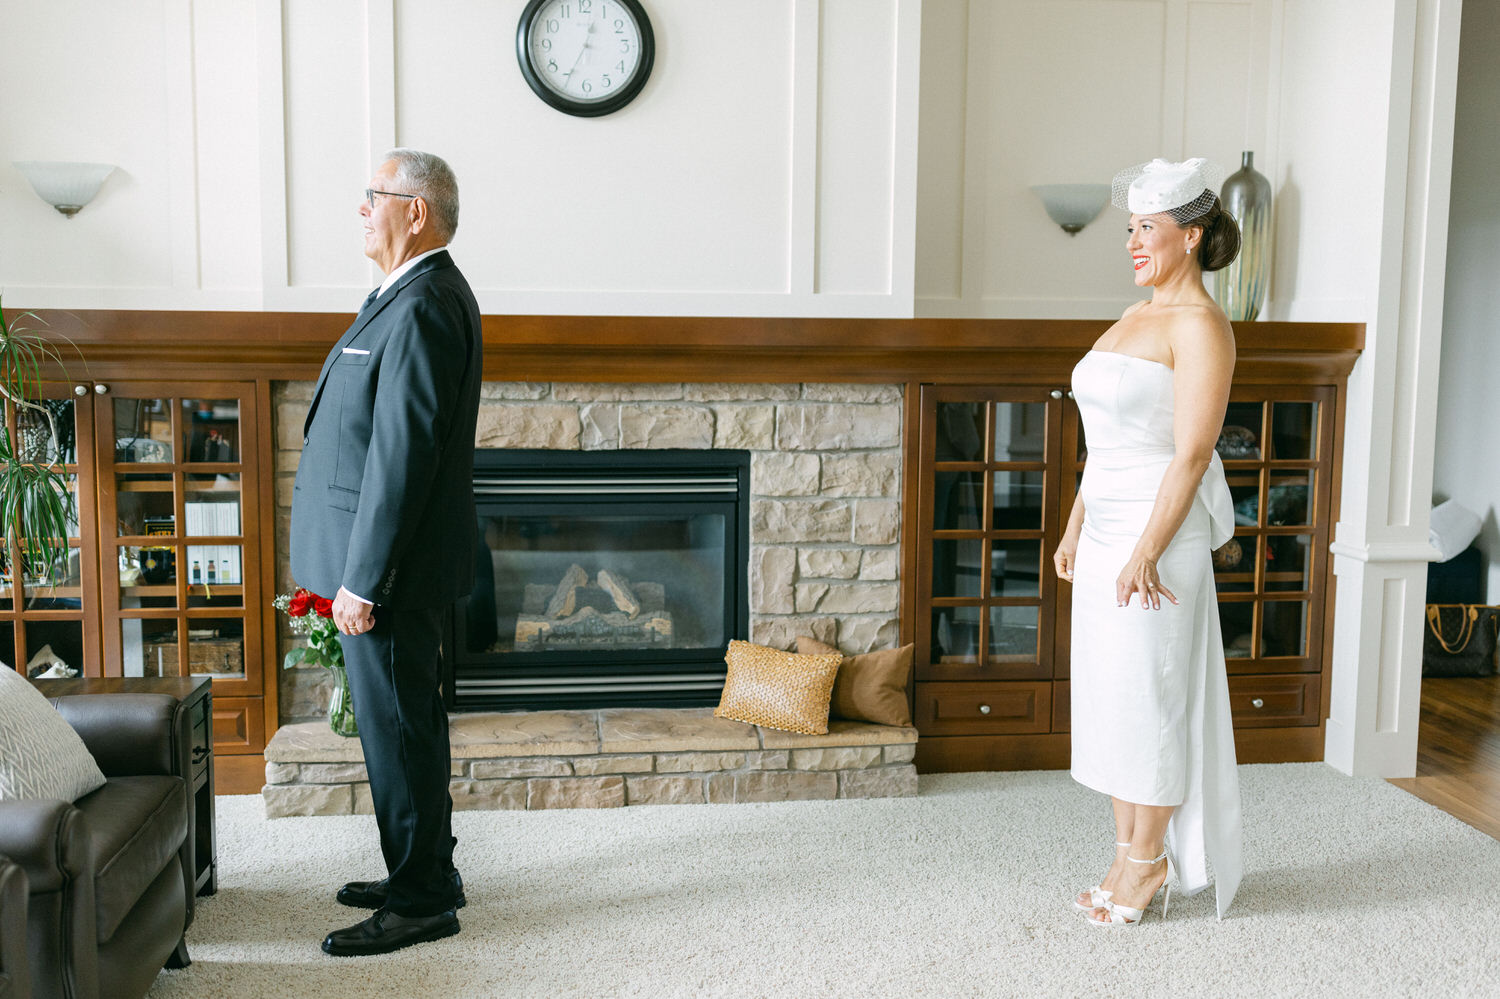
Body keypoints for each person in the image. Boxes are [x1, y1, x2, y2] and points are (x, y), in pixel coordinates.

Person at [290, 148, 483, 956]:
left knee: (398, 730)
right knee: (403, 727)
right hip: (383, 567)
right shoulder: (402, 295)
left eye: (375, 195)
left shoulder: (427, 302)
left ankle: (419, 901)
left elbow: (402, 458)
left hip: (389, 577)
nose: (361, 208)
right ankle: (427, 870)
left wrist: (363, 580)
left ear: (417, 210)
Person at [1052, 157, 1244, 927]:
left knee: (1153, 700)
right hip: (1103, 532)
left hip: (1159, 541)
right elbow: (1103, 444)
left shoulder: (1202, 327)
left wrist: (1144, 551)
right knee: (1112, 701)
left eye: (1148, 228)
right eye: (1129, 227)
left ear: (1191, 235)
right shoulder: (1131, 317)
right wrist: (1075, 527)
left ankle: (1149, 862)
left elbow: (1191, 454)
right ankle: (1128, 852)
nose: (1133, 241)